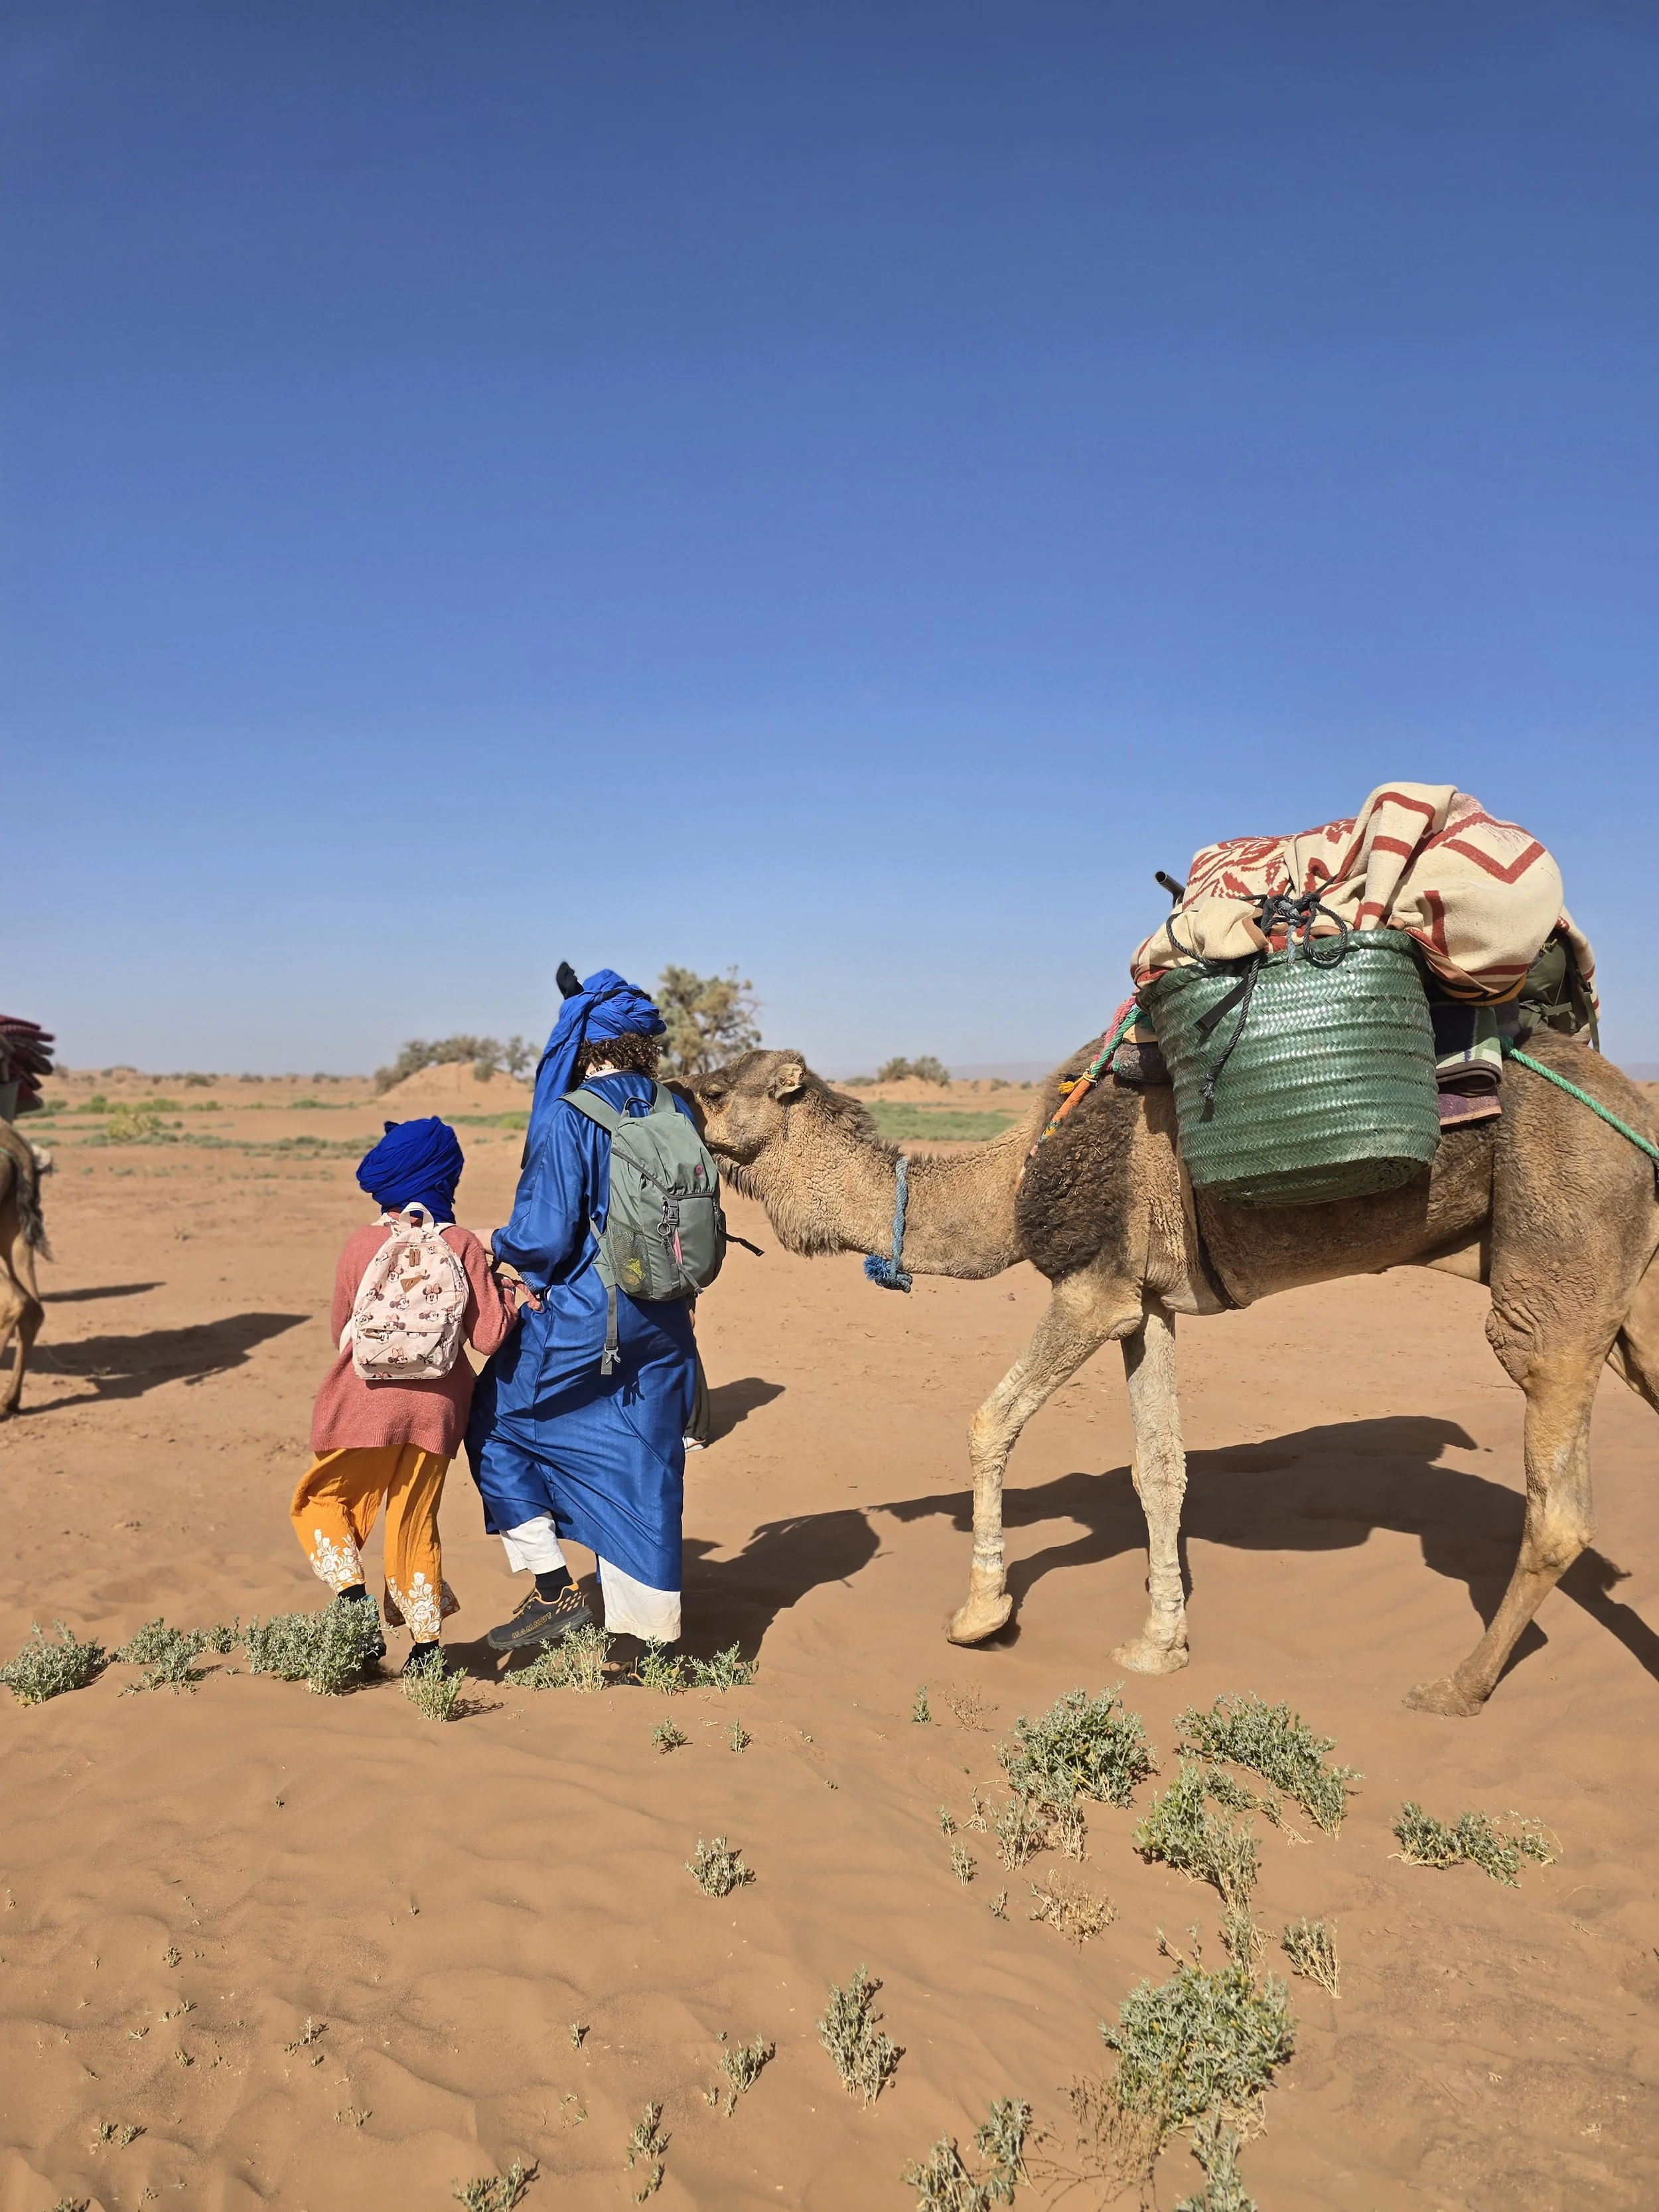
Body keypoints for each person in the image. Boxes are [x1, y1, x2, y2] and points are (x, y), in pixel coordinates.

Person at [467, 968, 701, 1652]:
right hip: (667, 1319)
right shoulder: (674, 1110)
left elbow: (542, 1239)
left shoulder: (574, 1115)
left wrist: (494, 1242)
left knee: (496, 1424)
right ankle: (646, 1640)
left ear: (579, 1043)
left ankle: (552, 1590)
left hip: (587, 1318)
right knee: (643, 1462)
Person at [292, 1116, 520, 1670]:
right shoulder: (463, 1243)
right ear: (445, 1177)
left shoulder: (361, 1244)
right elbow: (488, 1336)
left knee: (321, 1502)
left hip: (363, 1404)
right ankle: (425, 1649)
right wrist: (510, 1291)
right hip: (438, 1413)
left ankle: (350, 1599)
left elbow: (340, 1333)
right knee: (414, 1519)